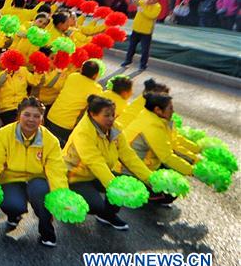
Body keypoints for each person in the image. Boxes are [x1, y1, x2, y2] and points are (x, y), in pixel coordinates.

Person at [0, 97, 67, 247]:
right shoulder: (4, 134)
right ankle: (14, 215)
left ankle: (47, 230)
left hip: (37, 180)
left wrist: (61, 195)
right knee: (12, 204)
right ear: (18, 115)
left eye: (36, 116)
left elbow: (57, 171)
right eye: (27, 115)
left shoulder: (50, 140)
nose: (31, 120)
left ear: (42, 119)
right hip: (11, 180)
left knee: (42, 193)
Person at [62, 95, 153, 231]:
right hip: (75, 177)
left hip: (96, 174)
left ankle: (107, 215)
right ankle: (67, 201)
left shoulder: (114, 128)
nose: (111, 119)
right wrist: (114, 187)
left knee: (126, 182)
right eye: (106, 115)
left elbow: (128, 155)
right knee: (97, 205)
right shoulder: (83, 132)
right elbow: (94, 161)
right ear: (93, 114)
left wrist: (150, 178)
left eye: (112, 115)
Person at [122, 93, 200, 206]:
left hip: (141, 164)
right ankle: (134, 194)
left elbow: (173, 144)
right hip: (128, 170)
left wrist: (195, 158)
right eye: (170, 108)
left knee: (176, 169)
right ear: (158, 110)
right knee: (171, 190)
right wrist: (194, 171)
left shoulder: (152, 118)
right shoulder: (152, 126)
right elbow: (167, 157)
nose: (173, 111)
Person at [46, 60, 102, 144]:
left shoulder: (72, 76)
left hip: (51, 116)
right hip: (66, 125)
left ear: (81, 69)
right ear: (96, 75)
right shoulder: (96, 89)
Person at [121, 0, 162, 70]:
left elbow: (152, 16)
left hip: (146, 32)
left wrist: (142, 11)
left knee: (145, 50)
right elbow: (135, 3)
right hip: (136, 29)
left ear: (156, 0)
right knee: (131, 47)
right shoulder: (144, 2)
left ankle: (143, 65)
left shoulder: (157, 6)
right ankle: (128, 60)